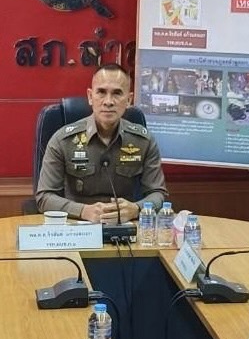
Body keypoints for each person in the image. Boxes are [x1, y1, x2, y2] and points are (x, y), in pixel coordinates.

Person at [36, 63, 168, 222]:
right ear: (90, 97)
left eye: (117, 93)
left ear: (129, 100)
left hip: (124, 225)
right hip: (77, 225)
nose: (108, 101)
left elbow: (158, 194)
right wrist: (83, 211)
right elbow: (44, 197)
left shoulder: (143, 141)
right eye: (101, 92)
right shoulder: (63, 140)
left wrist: (136, 209)